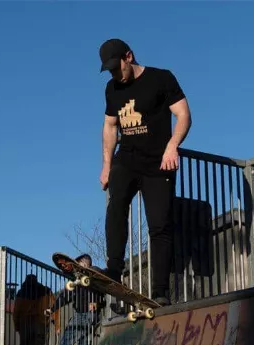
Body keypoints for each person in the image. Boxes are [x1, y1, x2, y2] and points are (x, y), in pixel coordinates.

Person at [98, 38, 192, 307]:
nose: (116, 75)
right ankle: (114, 270)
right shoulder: (111, 89)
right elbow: (109, 127)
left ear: (129, 56)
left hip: (157, 163)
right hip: (126, 160)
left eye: (118, 68)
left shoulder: (161, 78)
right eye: (110, 72)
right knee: (116, 205)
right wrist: (106, 165)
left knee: (159, 225)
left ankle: (160, 291)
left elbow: (183, 115)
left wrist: (172, 146)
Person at [45, 254, 105, 345]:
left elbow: (102, 283)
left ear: (85, 263)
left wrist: (98, 304)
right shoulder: (76, 280)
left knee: (66, 343)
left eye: (78, 264)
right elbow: (64, 297)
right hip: (81, 314)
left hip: (89, 315)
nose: (76, 268)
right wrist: (52, 309)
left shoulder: (94, 273)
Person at [12, 273, 59, 345]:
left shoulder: (21, 292)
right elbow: (55, 307)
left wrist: (17, 327)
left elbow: (16, 312)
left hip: (25, 325)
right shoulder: (46, 291)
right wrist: (56, 325)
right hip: (40, 323)